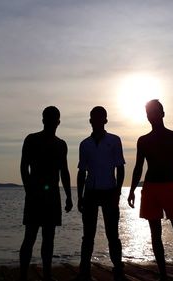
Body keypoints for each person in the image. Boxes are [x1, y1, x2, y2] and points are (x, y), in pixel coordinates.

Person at [127, 99, 173, 281]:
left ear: (162, 113)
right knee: (155, 234)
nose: (151, 116)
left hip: (171, 187)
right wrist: (132, 190)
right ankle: (163, 275)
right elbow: (138, 167)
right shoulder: (143, 140)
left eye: (154, 112)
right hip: (150, 188)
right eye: (148, 113)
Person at [20, 106, 73, 281]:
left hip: (51, 195)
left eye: (53, 119)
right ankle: (24, 275)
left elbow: (64, 171)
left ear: (58, 122)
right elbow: (24, 167)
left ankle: (47, 275)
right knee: (31, 236)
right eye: (48, 119)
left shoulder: (61, 144)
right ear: (43, 120)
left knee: (47, 237)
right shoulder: (32, 140)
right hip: (36, 194)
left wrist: (69, 196)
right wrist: (29, 189)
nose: (51, 122)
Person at [75, 106, 126, 281]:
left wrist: (118, 192)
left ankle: (118, 271)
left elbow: (120, 167)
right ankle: (84, 273)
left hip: (109, 192)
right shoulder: (85, 144)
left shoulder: (114, 140)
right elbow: (82, 171)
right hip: (90, 192)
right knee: (88, 235)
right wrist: (79, 196)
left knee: (113, 234)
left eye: (100, 118)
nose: (96, 121)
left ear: (105, 120)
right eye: (93, 118)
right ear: (90, 120)